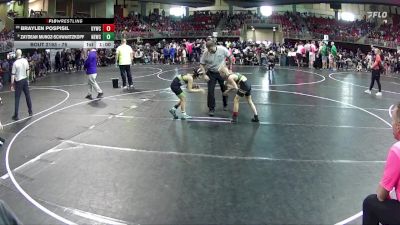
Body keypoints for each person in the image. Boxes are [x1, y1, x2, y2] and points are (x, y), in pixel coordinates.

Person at [362, 102, 400, 225]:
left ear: (398, 126)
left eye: (393, 121)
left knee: (370, 202)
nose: (392, 125)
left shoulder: (397, 149)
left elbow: (381, 195)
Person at [199, 40, 232, 116]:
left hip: (222, 72)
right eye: (208, 49)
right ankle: (211, 108)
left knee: (224, 89)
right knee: (210, 91)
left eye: (211, 49)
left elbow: (230, 57)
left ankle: (225, 104)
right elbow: (201, 64)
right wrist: (204, 75)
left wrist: (229, 68)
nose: (209, 51)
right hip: (211, 73)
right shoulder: (206, 53)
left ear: (214, 46)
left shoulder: (222, 49)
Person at [11, 49, 33, 121]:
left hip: (19, 82)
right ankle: (30, 111)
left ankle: (16, 115)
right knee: (28, 96)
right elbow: (28, 70)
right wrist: (27, 79)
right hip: (24, 80)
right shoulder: (25, 60)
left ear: (16, 54)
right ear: (21, 53)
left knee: (17, 98)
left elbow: (13, 75)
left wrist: (12, 85)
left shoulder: (15, 63)